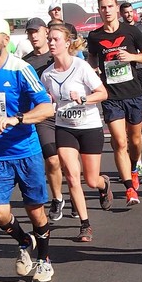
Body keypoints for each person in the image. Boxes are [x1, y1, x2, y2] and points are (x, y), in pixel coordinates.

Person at [0, 16, 56, 282]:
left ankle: (44, 260)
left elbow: (46, 108)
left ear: (6, 39)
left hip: (26, 151)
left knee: (35, 211)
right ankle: (24, 240)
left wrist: (18, 119)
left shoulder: (21, 69)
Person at [40, 21, 113, 242]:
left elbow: (102, 93)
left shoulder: (81, 67)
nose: (51, 43)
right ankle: (85, 224)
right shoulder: (47, 75)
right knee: (72, 176)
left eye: (55, 39)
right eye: (49, 39)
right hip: (64, 128)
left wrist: (83, 99)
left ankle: (103, 184)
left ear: (67, 43)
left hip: (89, 126)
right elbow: (46, 98)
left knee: (91, 180)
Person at [86, 0, 142, 206]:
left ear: (117, 9)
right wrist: (93, 71)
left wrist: (132, 57)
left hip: (132, 92)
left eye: (110, 6)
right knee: (119, 142)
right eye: (102, 7)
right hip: (111, 95)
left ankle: (134, 168)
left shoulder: (132, 31)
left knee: (134, 140)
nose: (106, 10)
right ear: (99, 11)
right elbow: (92, 59)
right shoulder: (95, 37)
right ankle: (129, 189)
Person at [23, 17, 66, 223]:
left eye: (36, 32)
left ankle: (76, 191)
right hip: (44, 117)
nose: (33, 36)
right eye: (29, 33)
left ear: (45, 31)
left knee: (68, 160)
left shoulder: (56, 55)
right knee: (52, 158)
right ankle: (57, 198)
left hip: (67, 113)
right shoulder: (26, 62)